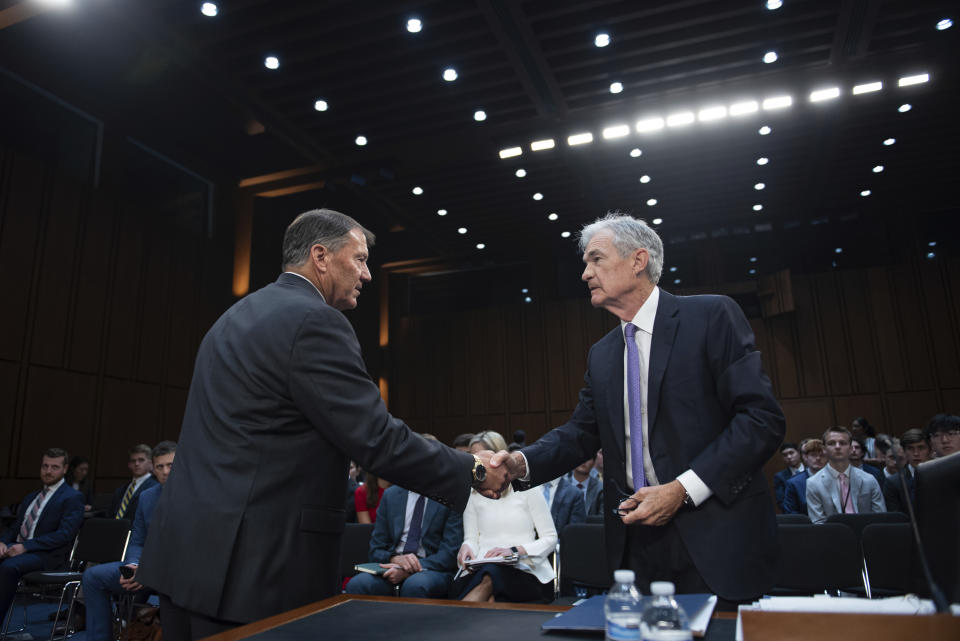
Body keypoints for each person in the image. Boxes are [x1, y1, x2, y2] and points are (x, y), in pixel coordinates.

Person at [136, 209, 508, 640]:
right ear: (320, 256)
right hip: (251, 569)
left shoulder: (233, 318)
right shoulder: (315, 321)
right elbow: (376, 438)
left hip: (185, 558)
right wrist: (474, 469)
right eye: (360, 259)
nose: (367, 274)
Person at [492, 214, 785, 604]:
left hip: (715, 535)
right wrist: (521, 464)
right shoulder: (603, 354)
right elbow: (581, 433)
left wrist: (682, 490)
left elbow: (760, 420)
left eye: (595, 259)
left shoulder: (711, 316)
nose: (585, 273)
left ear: (638, 260)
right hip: (636, 545)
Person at [81, 441, 177, 641]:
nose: (166, 471)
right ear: (153, 468)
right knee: (92, 576)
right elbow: (137, 541)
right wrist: (134, 564)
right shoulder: (147, 497)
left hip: (178, 572)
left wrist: (148, 570)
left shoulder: (198, 496)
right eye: (160, 466)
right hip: (145, 570)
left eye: (171, 465)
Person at [345, 436, 463, 598]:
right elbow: (376, 549)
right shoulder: (391, 496)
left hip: (430, 568)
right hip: (392, 564)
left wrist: (410, 568)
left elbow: (449, 554)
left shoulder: (450, 498)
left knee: (415, 586)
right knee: (358, 584)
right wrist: (395, 560)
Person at [457, 431, 557, 603]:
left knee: (492, 578)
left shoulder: (528, 489)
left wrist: (514, 550)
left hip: (525, 569)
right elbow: (471, 539)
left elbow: (550, 538)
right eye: (473, 460)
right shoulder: (471, 494)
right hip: (481, 568)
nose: (475, 467)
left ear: (498, 460)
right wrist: (466, 546)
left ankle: (458, 616)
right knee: (491, 582)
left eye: (480, 462)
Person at [0, 449, 84, 621]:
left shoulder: (72, 497)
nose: (48, 471)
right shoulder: (32, 497)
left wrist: (25, 546)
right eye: (45, 466)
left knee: (8, 567)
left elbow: (64, 535)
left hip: (47, 556)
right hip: (17, 549)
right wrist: (2, 542)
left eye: (54, 467)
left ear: (65, 469)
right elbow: (15, 528)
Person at [805, 428, 885, 524]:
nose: (837, 447)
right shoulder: (813, 483)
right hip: (832, 536)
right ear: (824, 449)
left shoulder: (869, 479)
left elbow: (881, 518)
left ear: (851, 449)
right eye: (831, 443)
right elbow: (818, 523)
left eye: (842, 443)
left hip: (867, 535)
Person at [883, 429, 931, 513]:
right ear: (904, 452)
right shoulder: (893, 482)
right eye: (910, 448)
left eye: (921, 448)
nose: (916, 453)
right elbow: (896, 518)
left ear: (930, 450)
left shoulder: (941, 474)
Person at [110, 444, 158, 521]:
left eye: (141, 460)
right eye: (133, 461)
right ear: (129, 465)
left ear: (150, 463)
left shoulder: (155, 486)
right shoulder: (121, 489)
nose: (136, 464)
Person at [782, 439, 827, 515]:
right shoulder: (794, 483)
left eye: (822, 455)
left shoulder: (835, 478)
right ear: (805, 457)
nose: (818, 458)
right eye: (813, 455)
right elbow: (791, 512)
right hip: (806, 525)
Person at [773, 443, 803, 512]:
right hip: (793, 516)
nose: (789, 457)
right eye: (785, 455)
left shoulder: (810, 470)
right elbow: (781, 501)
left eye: (791, 453)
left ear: (799, 453)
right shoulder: (780, 477)